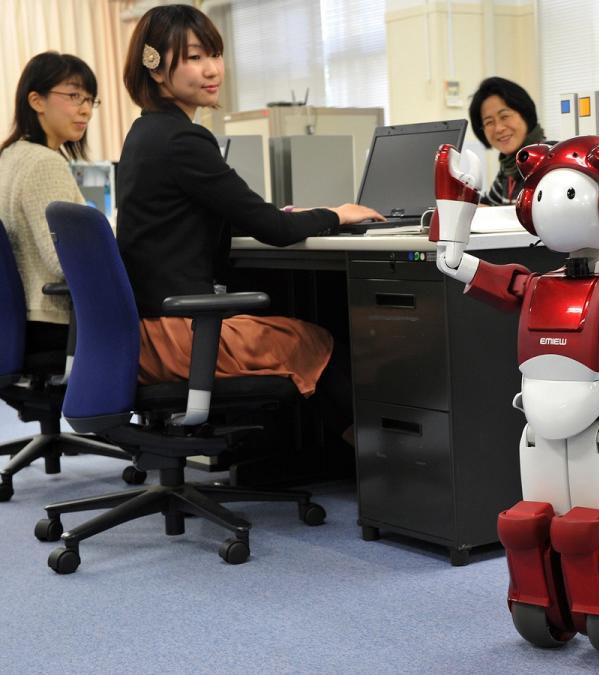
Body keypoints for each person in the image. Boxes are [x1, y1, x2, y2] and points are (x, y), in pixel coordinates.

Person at [116, 4, 382, 440]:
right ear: (157, 69)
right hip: (179, 338)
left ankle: (346, 461)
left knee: (294, 323)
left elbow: (223, 214)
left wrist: (285, 215)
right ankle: (372, 467)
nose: (211, 69)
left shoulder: (145, 133)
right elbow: (273, 230)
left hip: (146, 334)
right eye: (195, 57)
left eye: (214, 55)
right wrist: (336, 213)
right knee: (318, 339)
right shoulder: (184, 138)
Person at [0, 52, 99, 353]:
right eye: (73, 96)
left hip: (20, 324)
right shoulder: (45, 163)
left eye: (90, 100)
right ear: (37, 101)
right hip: (52, 325)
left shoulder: (10, 155)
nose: (85, 111)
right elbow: (61, 260)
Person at [468, 76, 547, 206]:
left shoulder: (550, 160)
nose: (499, 128)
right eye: (489, 122)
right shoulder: (508, 168)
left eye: (504, 116)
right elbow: (487, 206)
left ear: (524, 114)